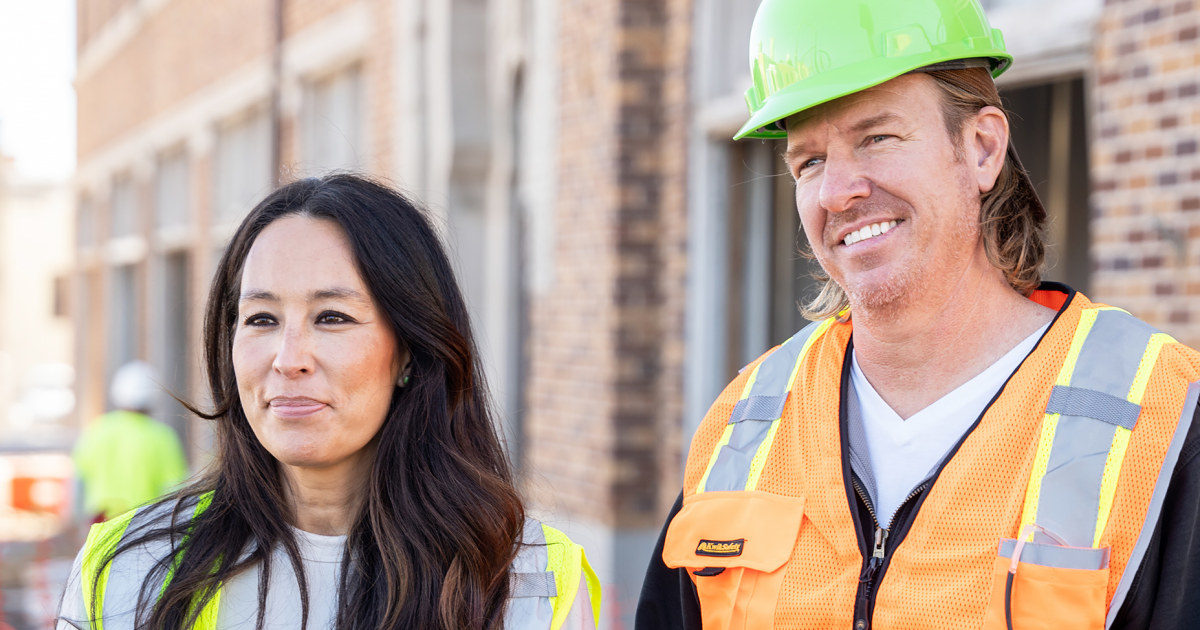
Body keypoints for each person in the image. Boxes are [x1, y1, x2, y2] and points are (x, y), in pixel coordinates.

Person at [636, 0, 1200, 628]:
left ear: (982, 148)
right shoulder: (743, 426)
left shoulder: (1159, 420)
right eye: (810, 161)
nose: (837, 192)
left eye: (877, 137)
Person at [57, 174, 600, 629]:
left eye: (332, 318)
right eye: (262, 319)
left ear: (410, 350)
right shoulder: (126, 572)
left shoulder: (530, 580)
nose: (288, 358)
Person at [72, 360, 189, 522]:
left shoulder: (98, 429)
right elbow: (176, 489)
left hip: (101, 521)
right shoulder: (162, 437)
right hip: (145, 523)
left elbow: (79, 479)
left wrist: (76, 518)